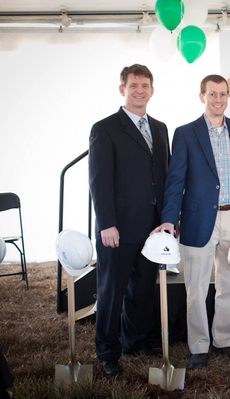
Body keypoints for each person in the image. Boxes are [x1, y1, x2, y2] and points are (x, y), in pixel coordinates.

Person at [154, 74, 230, 369]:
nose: (218, 99)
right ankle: (199, 346)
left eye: (223, 94)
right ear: (202, 96)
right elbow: (175, 181)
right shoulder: (186, 133)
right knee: (196, 285)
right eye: (213, 94)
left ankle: (223, 339)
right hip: (198, 217)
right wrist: (169, 220)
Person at [89, 64, 170, 376]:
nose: (140, 90)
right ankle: (108, 352)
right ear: (122, 89)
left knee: (143, 289)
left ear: (152, 89)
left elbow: (165, 177)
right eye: (134, 85)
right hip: (118, 228)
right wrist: (106, 223)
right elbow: (99, 180)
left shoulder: (161, 128)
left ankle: (134, 340)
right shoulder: (105, 128)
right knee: (112, 291)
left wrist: (167, 220)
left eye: (145, 85)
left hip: (153, 227)